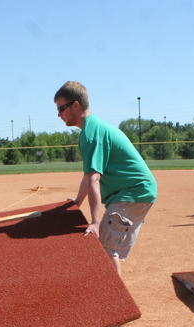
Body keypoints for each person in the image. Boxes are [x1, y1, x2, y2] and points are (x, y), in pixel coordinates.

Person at [54, 81, 157, 277]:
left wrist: (95, 222)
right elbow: (88, 177)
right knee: (109, 248)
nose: (59, 114)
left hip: (133, 192)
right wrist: (77, 202)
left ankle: (116, 303)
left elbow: (94, 178)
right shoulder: (91, 129)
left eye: (61, 108)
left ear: (75, 105)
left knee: (105, 249)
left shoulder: (91, 134)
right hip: (136, 191)